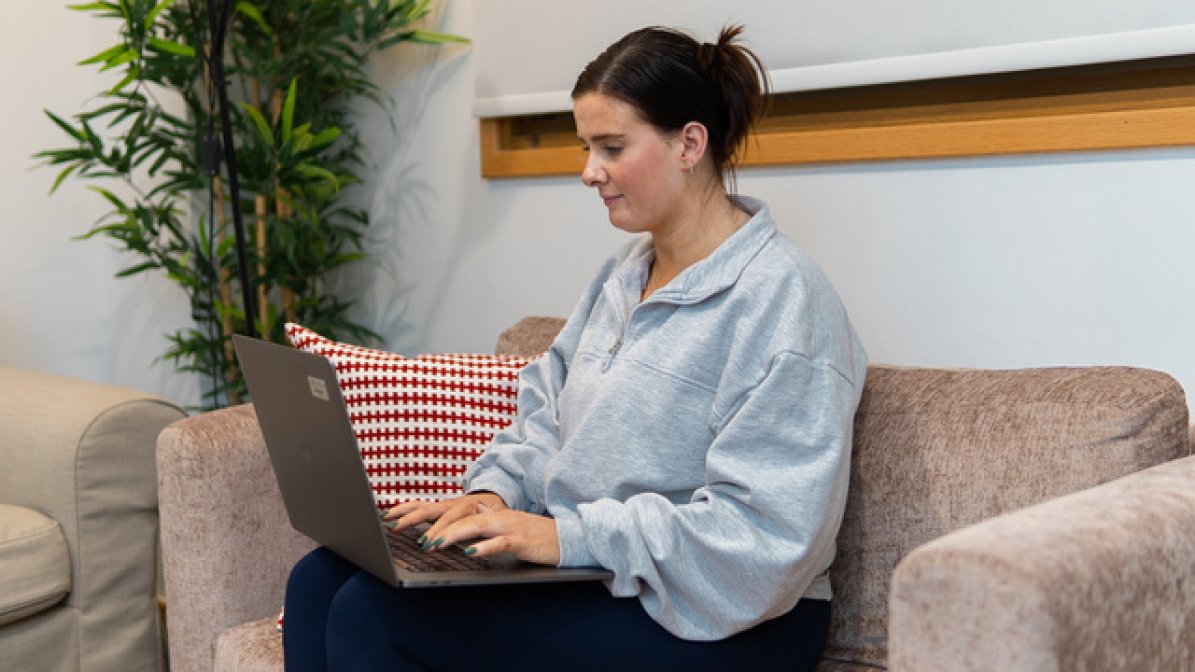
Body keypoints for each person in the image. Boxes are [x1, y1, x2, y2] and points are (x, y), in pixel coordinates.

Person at [283, 24, 867, 672]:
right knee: (319, 579)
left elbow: (763, 542)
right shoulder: (623, 276)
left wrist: (565, 537)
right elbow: (544, 419)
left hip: (728, 616)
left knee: (371, 615)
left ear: (689, 144)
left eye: (611, 147)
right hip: (601, 573)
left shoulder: (784, 303)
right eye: (588, 146)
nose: (588, 171)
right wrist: (496, 497)